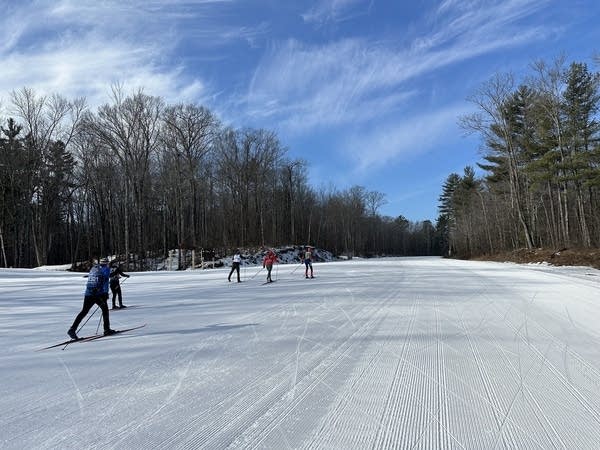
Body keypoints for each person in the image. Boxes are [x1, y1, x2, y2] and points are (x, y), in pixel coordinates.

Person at [68, 258, 115, 339]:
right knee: (105, 310)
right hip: (98, 294)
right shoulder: (106, 269)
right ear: (107, 263)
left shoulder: (94, 268)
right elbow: (105, 281)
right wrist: (105, 293)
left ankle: (72, 329)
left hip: (88, 293)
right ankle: (106, 329)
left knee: (84, 311)